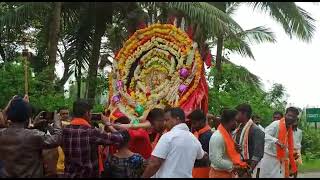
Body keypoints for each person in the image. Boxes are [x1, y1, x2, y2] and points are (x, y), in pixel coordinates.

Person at [0, 96, 62, 178]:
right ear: (28, 116)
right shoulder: (33, 135)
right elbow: (56, 139)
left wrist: (34, 126)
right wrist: (57, 123)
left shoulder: (2, 134)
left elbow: (21, 135)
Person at [62, 99, 125, 178]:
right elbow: (119, 138)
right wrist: (108, 124)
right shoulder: (91, 132)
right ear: (87, 113)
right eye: (90, 112)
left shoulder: (65, 130)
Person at [142, 107, 206, 178]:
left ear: (177, 119)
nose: (165, 123)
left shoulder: (168, 137)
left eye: (167, 120)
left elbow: (155, 163)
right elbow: (203, 157)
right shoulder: (194, 139)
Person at [259, 107, 299, 178]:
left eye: (293, 117)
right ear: (285, 115)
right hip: (269, 157)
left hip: (279, 159)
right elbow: (263, 134)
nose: (290, 118)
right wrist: (276, 141)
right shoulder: (276, 124)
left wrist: (291, 154)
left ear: (295, 119)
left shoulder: (289, 128)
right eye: (289, 115)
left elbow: (284, 145)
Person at [209, 109, 248, 178]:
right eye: (236, 121)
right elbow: (217, 161)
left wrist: (236, 150)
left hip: (228, 174)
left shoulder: (228, 134)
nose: (238, 123)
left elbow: (226, 154)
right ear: (230, 121)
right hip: (219, 175)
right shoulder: (218, 137)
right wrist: (235, 166)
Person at [233, 104, 265, 177]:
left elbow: (258, 154)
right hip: (236, 166)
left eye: (237, 113)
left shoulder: (256, 130)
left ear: (244, 114)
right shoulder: (238, 128)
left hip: (246, 169)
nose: (235, 116)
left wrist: (249, 171)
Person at [188, 109, 212, 178]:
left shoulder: (205, 136)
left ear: (201, 122)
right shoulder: (200, 134)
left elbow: (200, 157)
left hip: (201, 170)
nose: (193, 126)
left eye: (194, 123)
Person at [56, 107, 70, 177]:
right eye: (63, 114)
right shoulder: (54, 126)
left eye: (67, 113)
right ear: (59, 115)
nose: (65, 115)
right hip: (58, 167)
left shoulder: (72, 125)